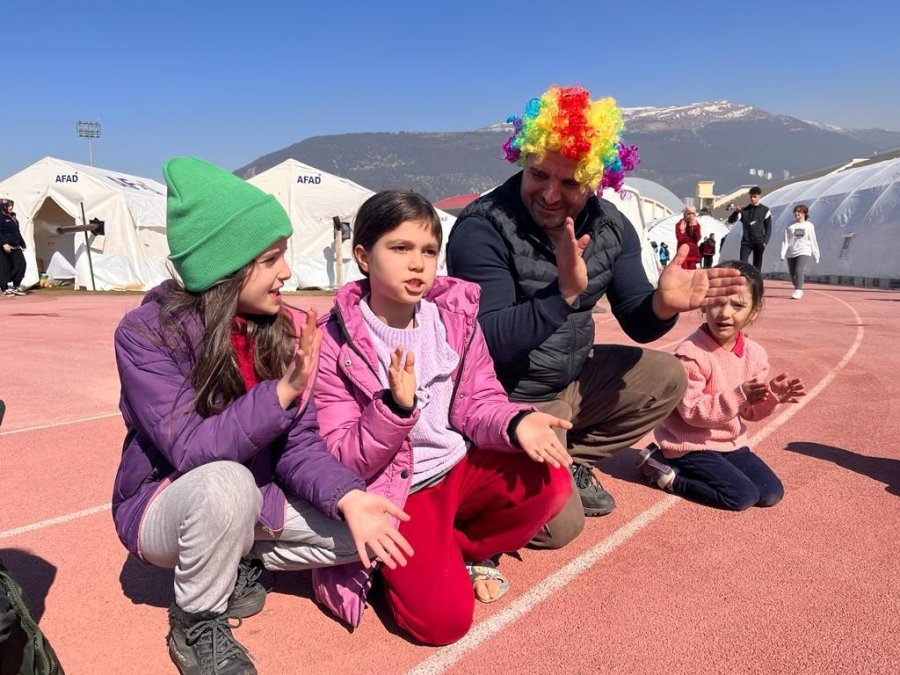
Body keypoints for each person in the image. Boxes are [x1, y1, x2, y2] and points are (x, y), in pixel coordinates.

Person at [112, 157, 412, 675]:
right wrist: (282, 392)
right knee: (226, 482)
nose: (287, 273)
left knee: (362, 533)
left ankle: (241, 560)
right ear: (229, 266)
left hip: (254, 502)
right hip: (168, 502)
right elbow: (190, 449)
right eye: (272, 258)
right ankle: (197, 619)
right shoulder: (145, 334)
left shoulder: (282, 329)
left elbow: (300, 449)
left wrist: (349, 496)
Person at [446, 84, 745, 548]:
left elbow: (638, 321)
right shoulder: (483, 227)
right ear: (522, 159)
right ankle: (478, 476)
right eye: (538, 174)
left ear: (596, 180)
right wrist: (562, 294)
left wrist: (664, 303)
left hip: (573, 379)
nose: (548, 194)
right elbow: (484, 342)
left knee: (667, 375)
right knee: (558, 529)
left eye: (568, 183)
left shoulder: (611, 226)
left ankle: (575, 457)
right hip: (507, 397)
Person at [313, 190, 573, 645]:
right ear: (362, 256)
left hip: (459, 470)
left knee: (551, 482)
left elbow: (479, 402)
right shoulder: (332, 342)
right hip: (400, 494)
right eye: (400, 248)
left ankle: (465, 552)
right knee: (444, 625)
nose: (418, 264)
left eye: (429, 251)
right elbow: (342, 456)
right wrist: (395, 410)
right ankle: (407, 567)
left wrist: (516, 422)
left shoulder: (454, 320)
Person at [637, 260, 806, 510]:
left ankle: (704, 470)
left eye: (738, 305)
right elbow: (692, 413)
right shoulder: (691, 354)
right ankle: (665, 471)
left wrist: (771, 397)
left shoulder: (755, 355)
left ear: (754, 311)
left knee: (771, 494)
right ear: (704, 303)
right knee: (741, 497)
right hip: (690, 444)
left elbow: (750, 413)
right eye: (716, 302)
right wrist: (739, 395)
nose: (725, 313)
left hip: (730, 442)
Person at [780, 204, 819, 299]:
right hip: (791, 252)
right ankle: (797, 285)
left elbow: (813, 240)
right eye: (795, 212)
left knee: (799, 270)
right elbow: (786, 240)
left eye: (799, 212)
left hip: (804, 250)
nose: (796, 213)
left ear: (804, 213)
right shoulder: (790, 225)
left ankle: (798, 290)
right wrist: (782, 253)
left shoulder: (809, 226)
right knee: (793, 275)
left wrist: (816, 254)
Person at [728, 186, 772, 269]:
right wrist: (736, 212)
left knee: (757, 266)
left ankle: (756, 281)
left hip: (759, 242)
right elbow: (731, 221)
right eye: (751, 196)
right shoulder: (744, 210)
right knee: (742, 263)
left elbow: (768, 228)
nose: (752, 198)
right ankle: (746, 279)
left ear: (759, 197)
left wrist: (764, 242)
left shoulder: (765, 210)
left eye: (754, 196)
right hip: (746, 242)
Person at [0, 199, 28, 296]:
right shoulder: (1, 217)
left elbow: (16, 232)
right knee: (4, 267)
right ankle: (4, 288)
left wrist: (22, 242)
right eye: (9, 205)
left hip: (15, 246)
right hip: (4, 246)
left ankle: (16, 286)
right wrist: (4, 243)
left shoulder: (13, 217)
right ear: (3, 206)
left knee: (21, 265)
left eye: (12, 205)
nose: (11, 207)